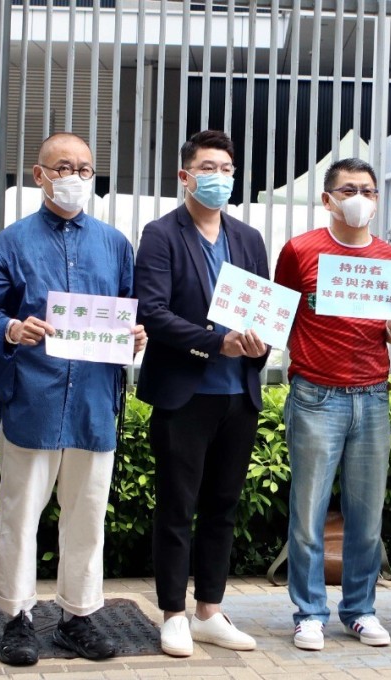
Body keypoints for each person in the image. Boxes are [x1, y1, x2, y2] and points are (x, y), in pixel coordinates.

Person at [0, 132, 147, 666]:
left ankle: (79, 615)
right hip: (33, 398)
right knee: (21, 513)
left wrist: (134, 337)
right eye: (63, 167)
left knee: (88, 514)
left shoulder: (116, 243)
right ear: (38, 174)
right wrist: (10, 329)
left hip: (95, 402)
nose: (74, 177)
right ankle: (16, 617)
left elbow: (127, 314)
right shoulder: (13, 241)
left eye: (84, 169)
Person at [134, 130, 269, 657]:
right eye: (208, 167)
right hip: (184, 394)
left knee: (223, 505)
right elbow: (154, 311)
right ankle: (172, 614)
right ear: (185, 175)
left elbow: (263, 309)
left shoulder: (248, 238)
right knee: (176, 505)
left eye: (227, 169)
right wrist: (219, 342)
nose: (220, 177)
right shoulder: (161, 234)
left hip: (239, 394)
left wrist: (256, 345)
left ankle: (210, 610)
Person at [274, 157, 391, 652]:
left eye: (369, 191)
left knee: (366, 515)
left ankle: (359, 609)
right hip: (315, 395)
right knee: (307, 513)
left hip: (372, 395)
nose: (360, 198)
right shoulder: (299, 251)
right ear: (327, 198)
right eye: (349, 188)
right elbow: (280, 313)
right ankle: (309, 612)